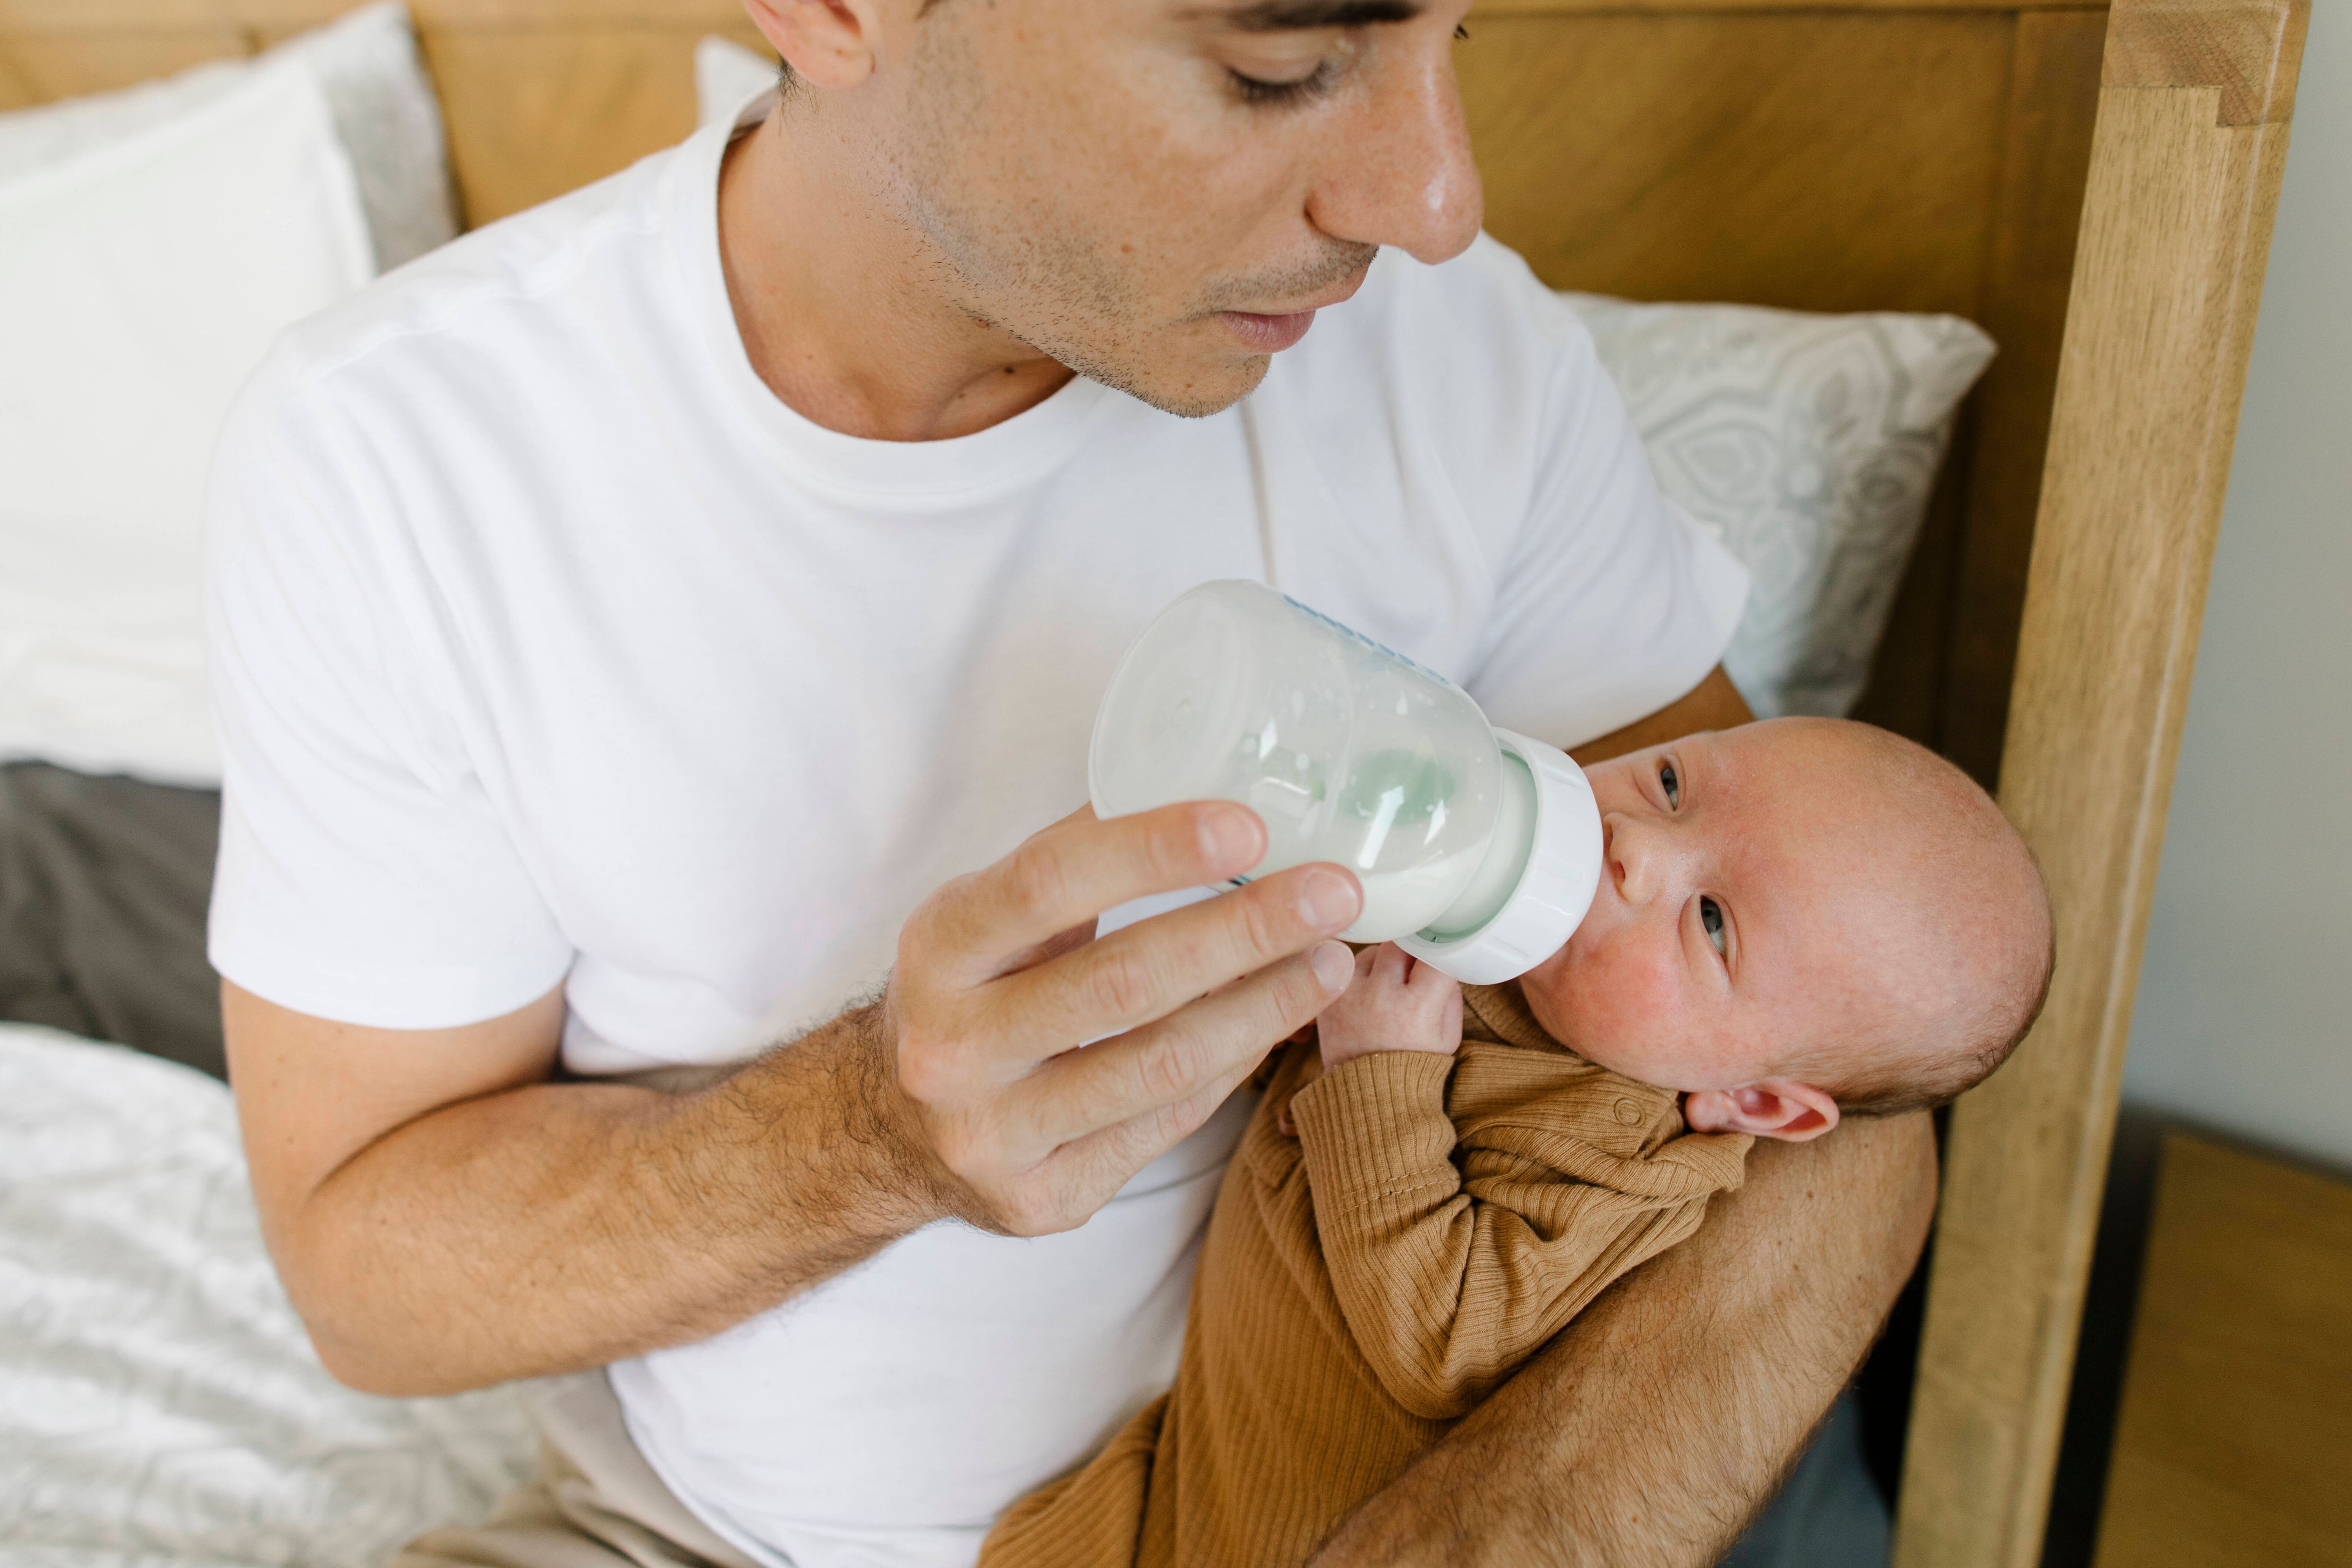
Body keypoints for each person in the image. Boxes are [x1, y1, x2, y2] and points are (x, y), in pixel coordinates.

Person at [203, 0, 1938, 1562]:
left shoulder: (1460, 355)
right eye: (1285, 63)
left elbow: (1847, 1095)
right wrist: (871, 1137)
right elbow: (364, 1270)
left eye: (1456, 38)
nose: (1433, 201)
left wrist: (1493, 1540)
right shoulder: (400, 461)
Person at [980, 719, 2054, 1568]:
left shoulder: (1624, 1159)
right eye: (1676, 783)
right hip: (1167, 1489)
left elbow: (1446, 1339)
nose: (1638, 848)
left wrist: (1378, 1076)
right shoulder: (1512, 944)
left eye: (1713, 922)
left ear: (1757, 1104)